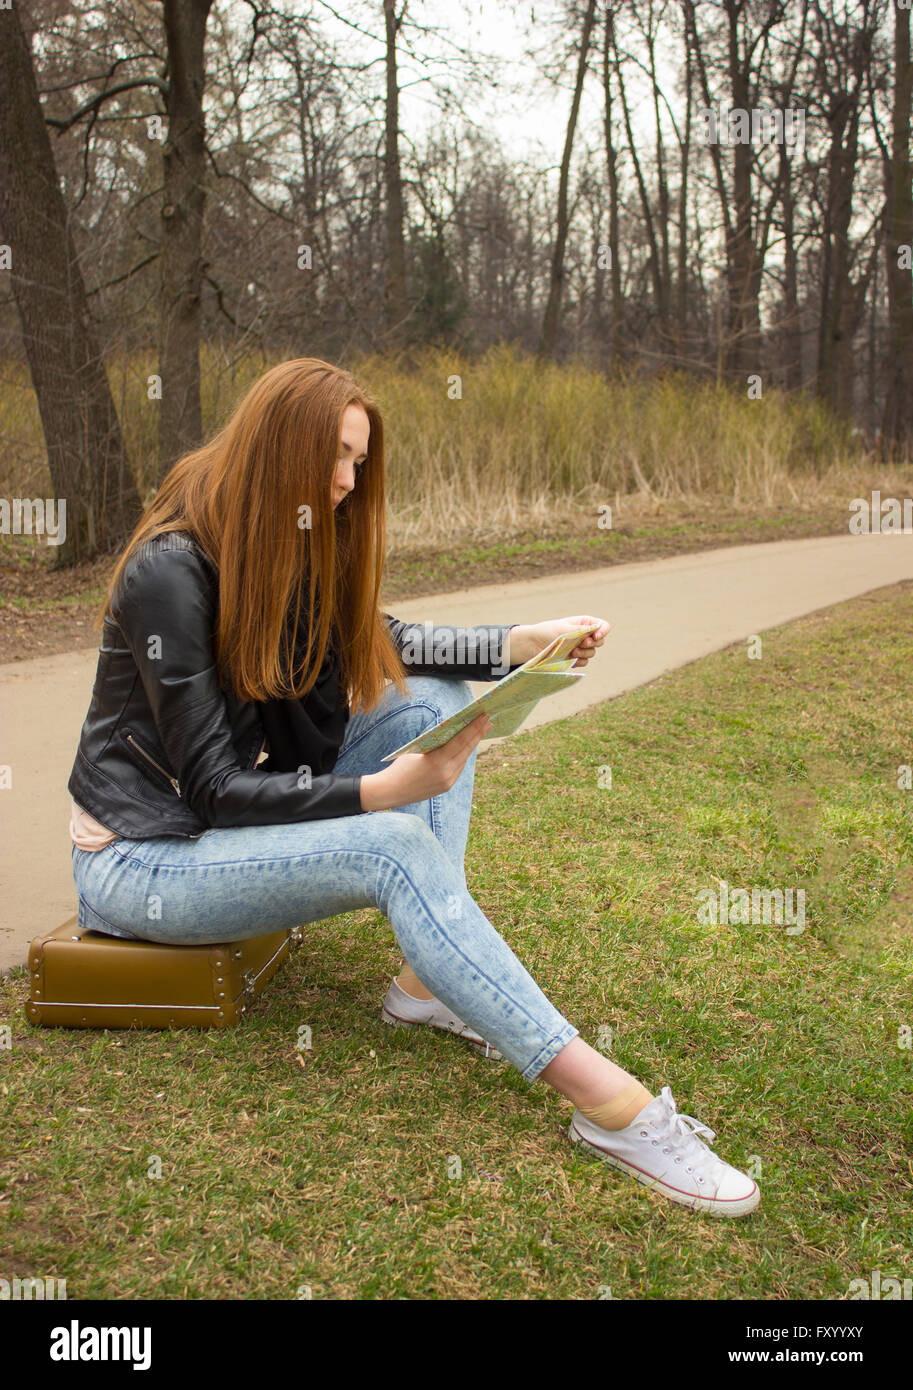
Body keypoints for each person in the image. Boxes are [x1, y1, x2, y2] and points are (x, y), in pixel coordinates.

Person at [68, 356, 759, 1219]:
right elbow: (210, 790)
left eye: (359, 462)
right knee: (393, 844)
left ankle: (423, 989)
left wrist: (517, 642)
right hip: (148, 858)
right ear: (282, 452)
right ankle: (613, 1108)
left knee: (433, 698)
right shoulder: (168, 570)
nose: (350, 483)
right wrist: (382, 794)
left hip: (237, 807)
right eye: (338, 459)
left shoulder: (284, 532)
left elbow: (375, 635)